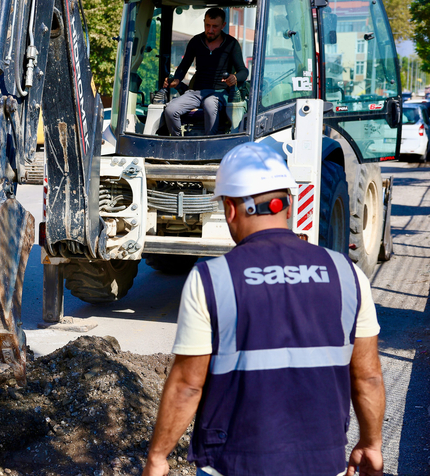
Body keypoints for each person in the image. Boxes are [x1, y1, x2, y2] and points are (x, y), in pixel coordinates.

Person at [142, 142, 385, 476]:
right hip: (322, 463)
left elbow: (188, 385)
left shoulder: (212, 278)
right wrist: (371, 444)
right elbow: (368, 377)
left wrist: (158, 456)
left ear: (230, 209)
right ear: (289, 205)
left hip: (232, 464)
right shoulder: (349, 275)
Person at [163, 8, 249, 136]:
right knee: (171, 109)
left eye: (215, 26)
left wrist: (235, 78)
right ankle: (178, 142)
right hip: (196, 92)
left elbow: (243, 71)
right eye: (207, 25)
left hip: (219, 93)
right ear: (204, 22)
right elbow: (183, 66)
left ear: (223, 25)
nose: (210, 30)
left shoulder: (231, 44)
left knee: (209, 104)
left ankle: (210, 142)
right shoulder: (196, 41)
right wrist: (176, 79)